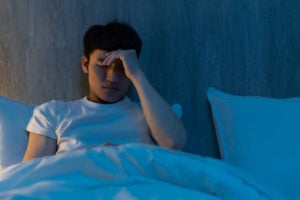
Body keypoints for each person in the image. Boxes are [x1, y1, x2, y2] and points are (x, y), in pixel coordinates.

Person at [23, 21, 187, 162]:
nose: (113, 78)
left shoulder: (151, 116)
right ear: (85, 64)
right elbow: (31, 176)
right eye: (102, 66)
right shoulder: (54, 113)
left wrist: (137, 74)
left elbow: (173, 143)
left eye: (122, 68)